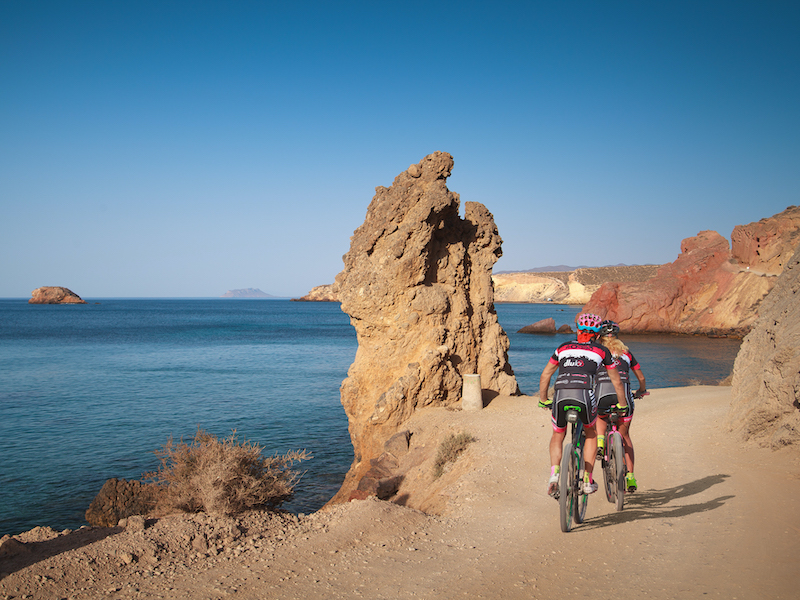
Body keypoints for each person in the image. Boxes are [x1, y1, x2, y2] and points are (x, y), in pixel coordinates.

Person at [539, 313, 627, 497]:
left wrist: (543, 399)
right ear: (597, 335)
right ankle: (587, 480)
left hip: (561, 394)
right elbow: (617, 382)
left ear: (578, 330)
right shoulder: (602, 351)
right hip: (584, 394)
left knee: (558, 434)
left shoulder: (562, 347)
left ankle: (554, 475)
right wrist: (622, 404)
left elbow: (546, 375)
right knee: (592, 433)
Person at [594, 320, 647, 492]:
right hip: (623, 397)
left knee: (601, 417)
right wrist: (641, 391)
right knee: (625, 436)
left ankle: (600, 443)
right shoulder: (627, 353)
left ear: (600, 336)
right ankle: (630, 477)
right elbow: (641, 377)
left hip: (602, 395)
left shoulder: (597, 352)